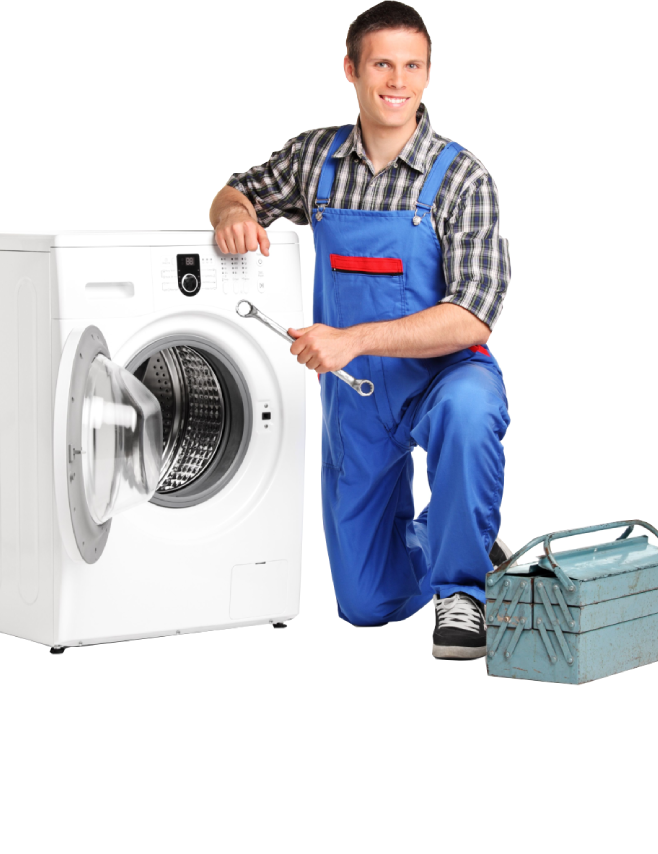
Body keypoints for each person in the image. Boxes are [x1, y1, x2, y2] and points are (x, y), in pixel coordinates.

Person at [209, 1, 511, 660]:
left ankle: (463, 590)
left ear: (427, 74)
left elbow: (471, 313)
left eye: (411, 65)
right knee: (365, 606)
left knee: (469, 411)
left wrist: (354, 337)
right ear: (351, 69)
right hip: (356, 393)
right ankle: (455, 535)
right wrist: (231, 215)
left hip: (444, 375)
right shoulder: (314, 158)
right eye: (381, 63)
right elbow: (235, 191)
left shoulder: (460, 175)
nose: (396, 80)